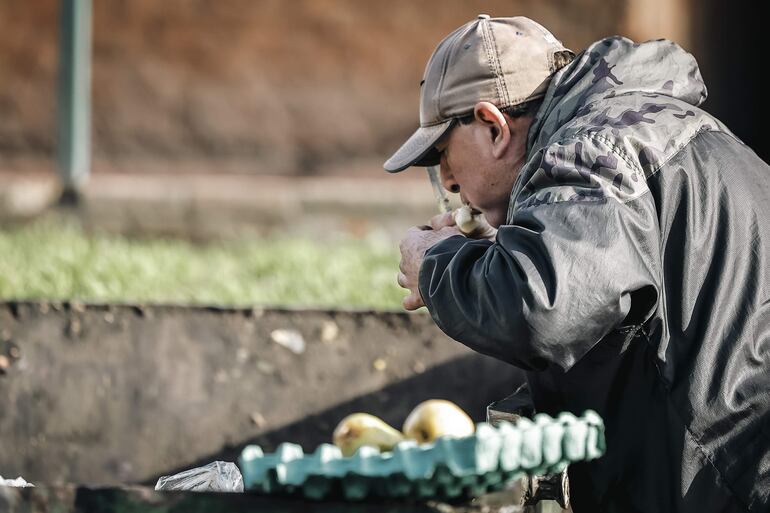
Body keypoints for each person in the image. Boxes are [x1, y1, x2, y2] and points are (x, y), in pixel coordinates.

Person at [384, 14, 769, 513]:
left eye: (444, 155)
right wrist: (504, 241)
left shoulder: (590, 151)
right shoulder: (666, 131)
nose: (449, 183)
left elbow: (537, 308)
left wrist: (435, 262)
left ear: (494, 127)